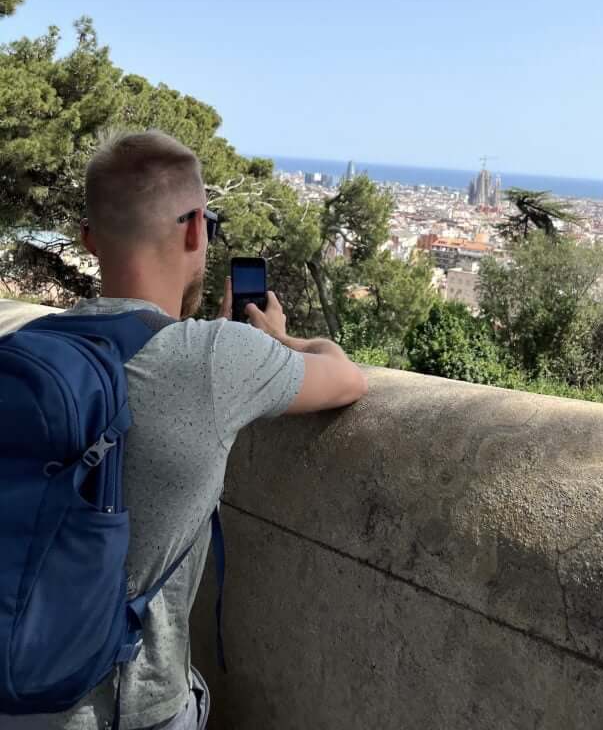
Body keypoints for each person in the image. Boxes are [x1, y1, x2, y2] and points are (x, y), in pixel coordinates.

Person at [0, 130, 367, 730]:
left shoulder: (23, 349)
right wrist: (275, 341)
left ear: (89, 240)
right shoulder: (219, 359)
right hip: (127, 710)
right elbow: (347, 378)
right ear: (196, 229)